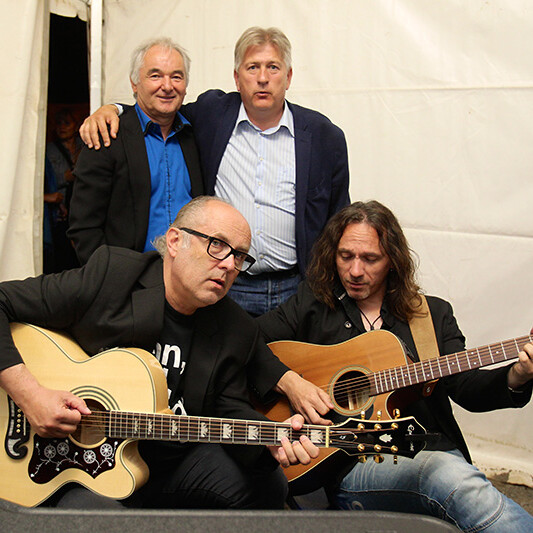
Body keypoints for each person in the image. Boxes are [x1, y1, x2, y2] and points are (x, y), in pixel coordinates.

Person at [0, 196, 321, 510]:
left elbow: (230, 409)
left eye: (239, 256)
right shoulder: (113, 276)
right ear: (175, 241)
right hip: (78, 464)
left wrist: (270, 440)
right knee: (99, 520)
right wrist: (31, 396)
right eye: (217, 245)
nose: (228, 264)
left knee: (268, 486)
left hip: (168, 466)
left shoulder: (235, 327)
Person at [257, 200, 533, 531]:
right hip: (353, 462)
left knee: (454, 478)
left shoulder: (431, 315)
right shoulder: (312, 304)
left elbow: (467, 389)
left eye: (370, 259)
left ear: (393, 261)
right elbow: (247, 342)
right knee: (449, 477)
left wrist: (519, 374)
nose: (355, 270)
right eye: (345, 256)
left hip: (430, 448)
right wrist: (289, 381)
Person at [79, 27, 350, 316]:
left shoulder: (324, 137)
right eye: (252, 67)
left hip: (297, 287)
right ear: (236, 78)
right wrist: (112, 109)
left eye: (273, 67)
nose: (262, 78)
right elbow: (158, 107)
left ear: (289, 76)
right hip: (225, 284)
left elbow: (339, 222)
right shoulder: (212, 115)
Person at [67, 38, 204, 265]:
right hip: (129, 276)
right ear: (134, 83)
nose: (167, 86)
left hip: (188, 272)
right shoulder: (107, 135)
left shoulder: (195, 132)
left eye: (176, 77)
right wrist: (110, 276)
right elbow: (84, 227)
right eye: (155, 76)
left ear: (186, 85)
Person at [44, 108, 82, 272]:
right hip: (59, 209)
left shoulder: (83, 145)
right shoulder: (49, 149)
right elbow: (47, 178)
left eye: (67, 123)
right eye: (58, 123)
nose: (62, 127)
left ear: (76, 126)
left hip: (79, 206)